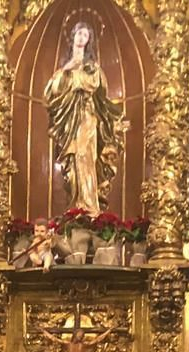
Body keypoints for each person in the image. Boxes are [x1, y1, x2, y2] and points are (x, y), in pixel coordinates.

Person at [43, 20, 123, 213]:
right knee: (73, 161)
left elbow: (97, 87)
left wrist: (74, 80)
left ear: (89, 41)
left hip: (87, 117)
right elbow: (50, 93)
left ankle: (90, 206)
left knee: (86, 156)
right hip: (70, 121)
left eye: (85, 35)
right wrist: (68, 76)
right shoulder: (65, 68)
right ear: (73, 37)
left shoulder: (92, 67)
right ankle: (77, 204)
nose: (81, 38)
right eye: (79, 34)